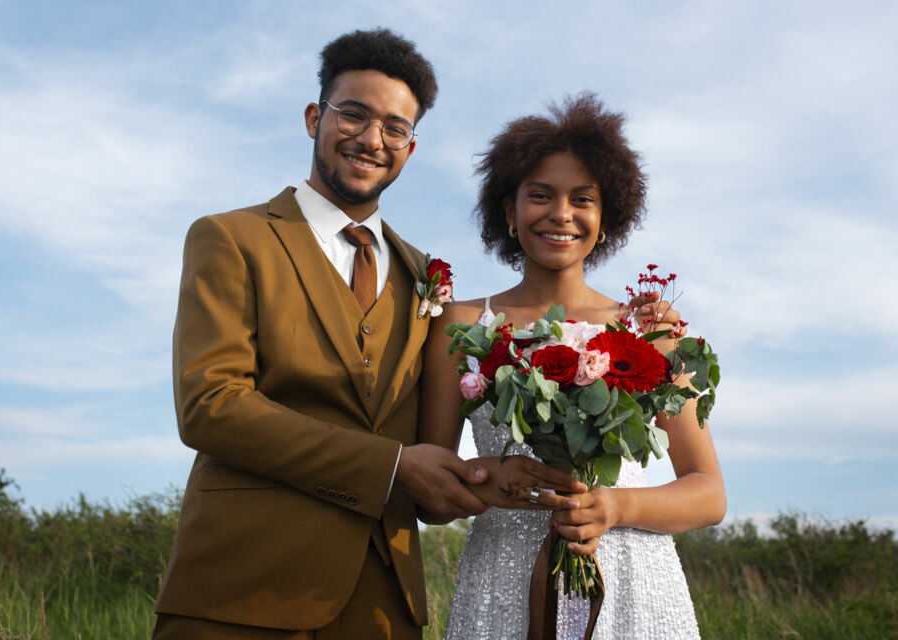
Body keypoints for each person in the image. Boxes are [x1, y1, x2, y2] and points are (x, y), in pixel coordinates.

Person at [152, 29, 625, 640]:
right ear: (313, 118)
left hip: (385, 606)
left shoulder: (426, 278)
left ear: (410, 146)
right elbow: (210, 407)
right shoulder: (232, 238)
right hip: (240, 590)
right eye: (354, 114)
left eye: (395, 128)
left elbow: (428, 449)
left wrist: (486, 477)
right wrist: (395, 467)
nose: (372, 139)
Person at [419, 94, 726, 640]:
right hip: (500, 584)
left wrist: (613, 505)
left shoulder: (650, 329)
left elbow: (708, 493)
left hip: (632, 581)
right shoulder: (459, 324)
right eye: (540, 195)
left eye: (582, 198)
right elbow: (430, 490)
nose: (561, 213)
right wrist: (495, 484)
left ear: (606, 217)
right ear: (509, 212)